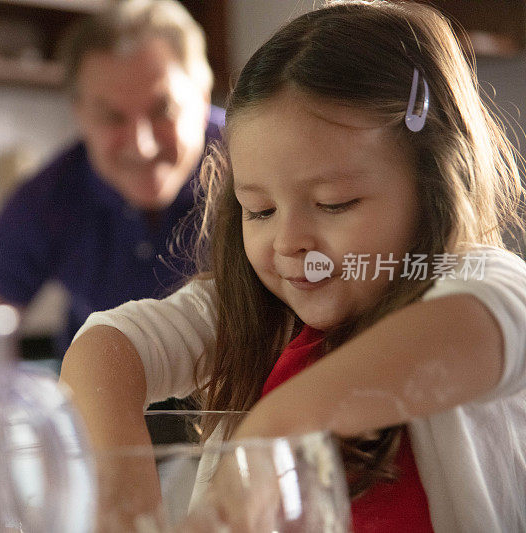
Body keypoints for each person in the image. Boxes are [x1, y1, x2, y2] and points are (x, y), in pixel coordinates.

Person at [60, 1, 526, 531]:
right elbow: (108, 343)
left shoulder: (477, 280)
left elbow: (485, 322)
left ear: (432, 184)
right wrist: (123, 484)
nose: (288, 242)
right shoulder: (258, 308)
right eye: (259, 210)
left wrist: (277, 428)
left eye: (334, 203)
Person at [0, 0, 223, 358]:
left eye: (163, 110)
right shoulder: (44, 200)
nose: (141, 145)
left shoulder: (261, 164)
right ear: (79, 116)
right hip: (94, 398)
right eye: (112, 118)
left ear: (204, 97)